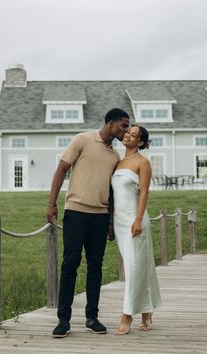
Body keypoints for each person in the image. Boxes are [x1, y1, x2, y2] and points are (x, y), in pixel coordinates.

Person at [47, 108, 130, 338]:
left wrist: (111, 222)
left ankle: (92, 317)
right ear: (111, 123)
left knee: (95, 266)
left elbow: (112, 193)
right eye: (123, 125)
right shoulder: (82, 139)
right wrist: (51, 203)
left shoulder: (115, 156)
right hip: (75, 212)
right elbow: (61, 169)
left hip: (100, 217)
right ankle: (63, 320)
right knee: (70, 264)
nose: (126, 130)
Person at [111, 124, 162, 335]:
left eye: (133, 135)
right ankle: (147, 310)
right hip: (118, 221)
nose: (128, 136)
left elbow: (143, 194)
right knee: (139, 267)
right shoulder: (117, 162)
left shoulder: (143, 162)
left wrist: (139, 219)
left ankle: (127, 315)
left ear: (140, 142)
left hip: (135, 219)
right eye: (127, 132)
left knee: (133, 268)